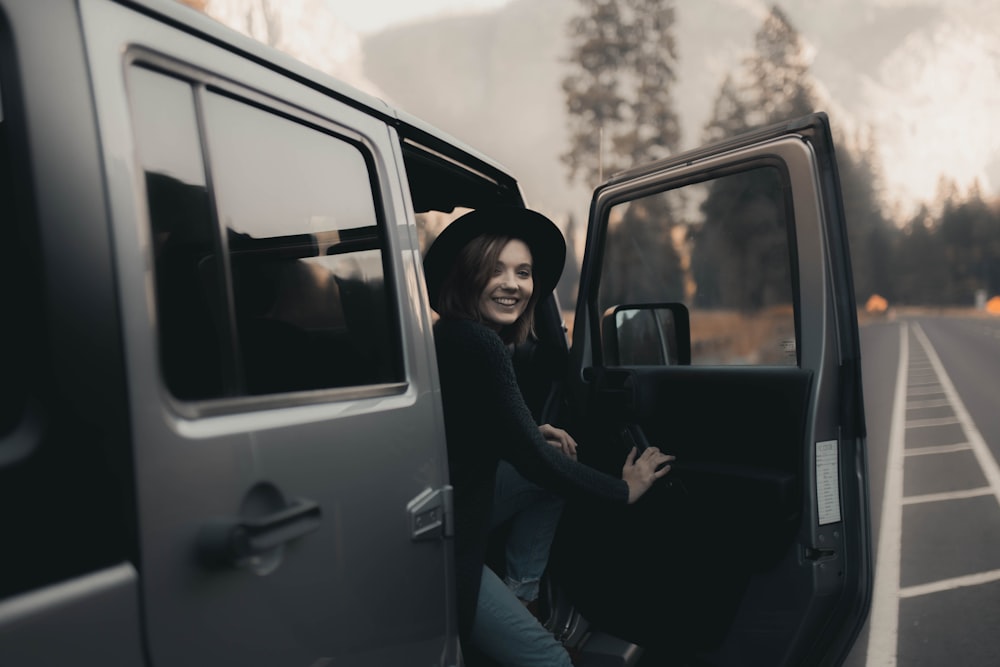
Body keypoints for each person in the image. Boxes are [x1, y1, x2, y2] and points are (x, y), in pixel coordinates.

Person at [423, 206, 673, 666]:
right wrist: (624, 490)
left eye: (524, 272)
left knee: (559, 457)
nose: (512, 284)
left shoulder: (451, 336)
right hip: (446, 546)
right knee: (552, 661)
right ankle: (524, 614)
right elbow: (533, 460)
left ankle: (523, 599)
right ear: (467, 276)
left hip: (455, 504)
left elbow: (455, 427)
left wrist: (529, 431)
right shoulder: (478, 344)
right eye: (494, 270)